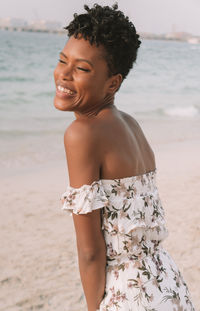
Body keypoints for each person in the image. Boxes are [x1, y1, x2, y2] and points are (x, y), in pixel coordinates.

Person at [54, 3, 196, 311]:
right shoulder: (130, 125)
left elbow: (91, 252)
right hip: (169, 286)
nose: (63, 75)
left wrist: (94, 308)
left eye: (81, 68)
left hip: (128, 296)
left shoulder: (82, 134)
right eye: (62, 61)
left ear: (113, 83)